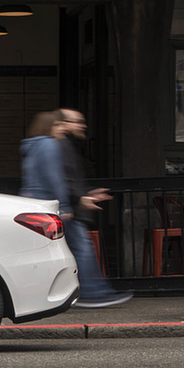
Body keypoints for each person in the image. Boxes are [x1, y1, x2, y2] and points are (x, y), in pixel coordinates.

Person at [54, 108, 132, 308]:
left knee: (80, 250)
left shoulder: (65, 146)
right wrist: (81, 197)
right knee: (83, 250)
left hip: (70, 207)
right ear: (64, 124)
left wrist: (88, 193)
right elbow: (63, 179)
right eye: (77, 121)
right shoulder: (61, 146)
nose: (83, 125)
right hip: (68, 210)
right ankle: (93, 294)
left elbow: (70, 179)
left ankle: (90, 293)